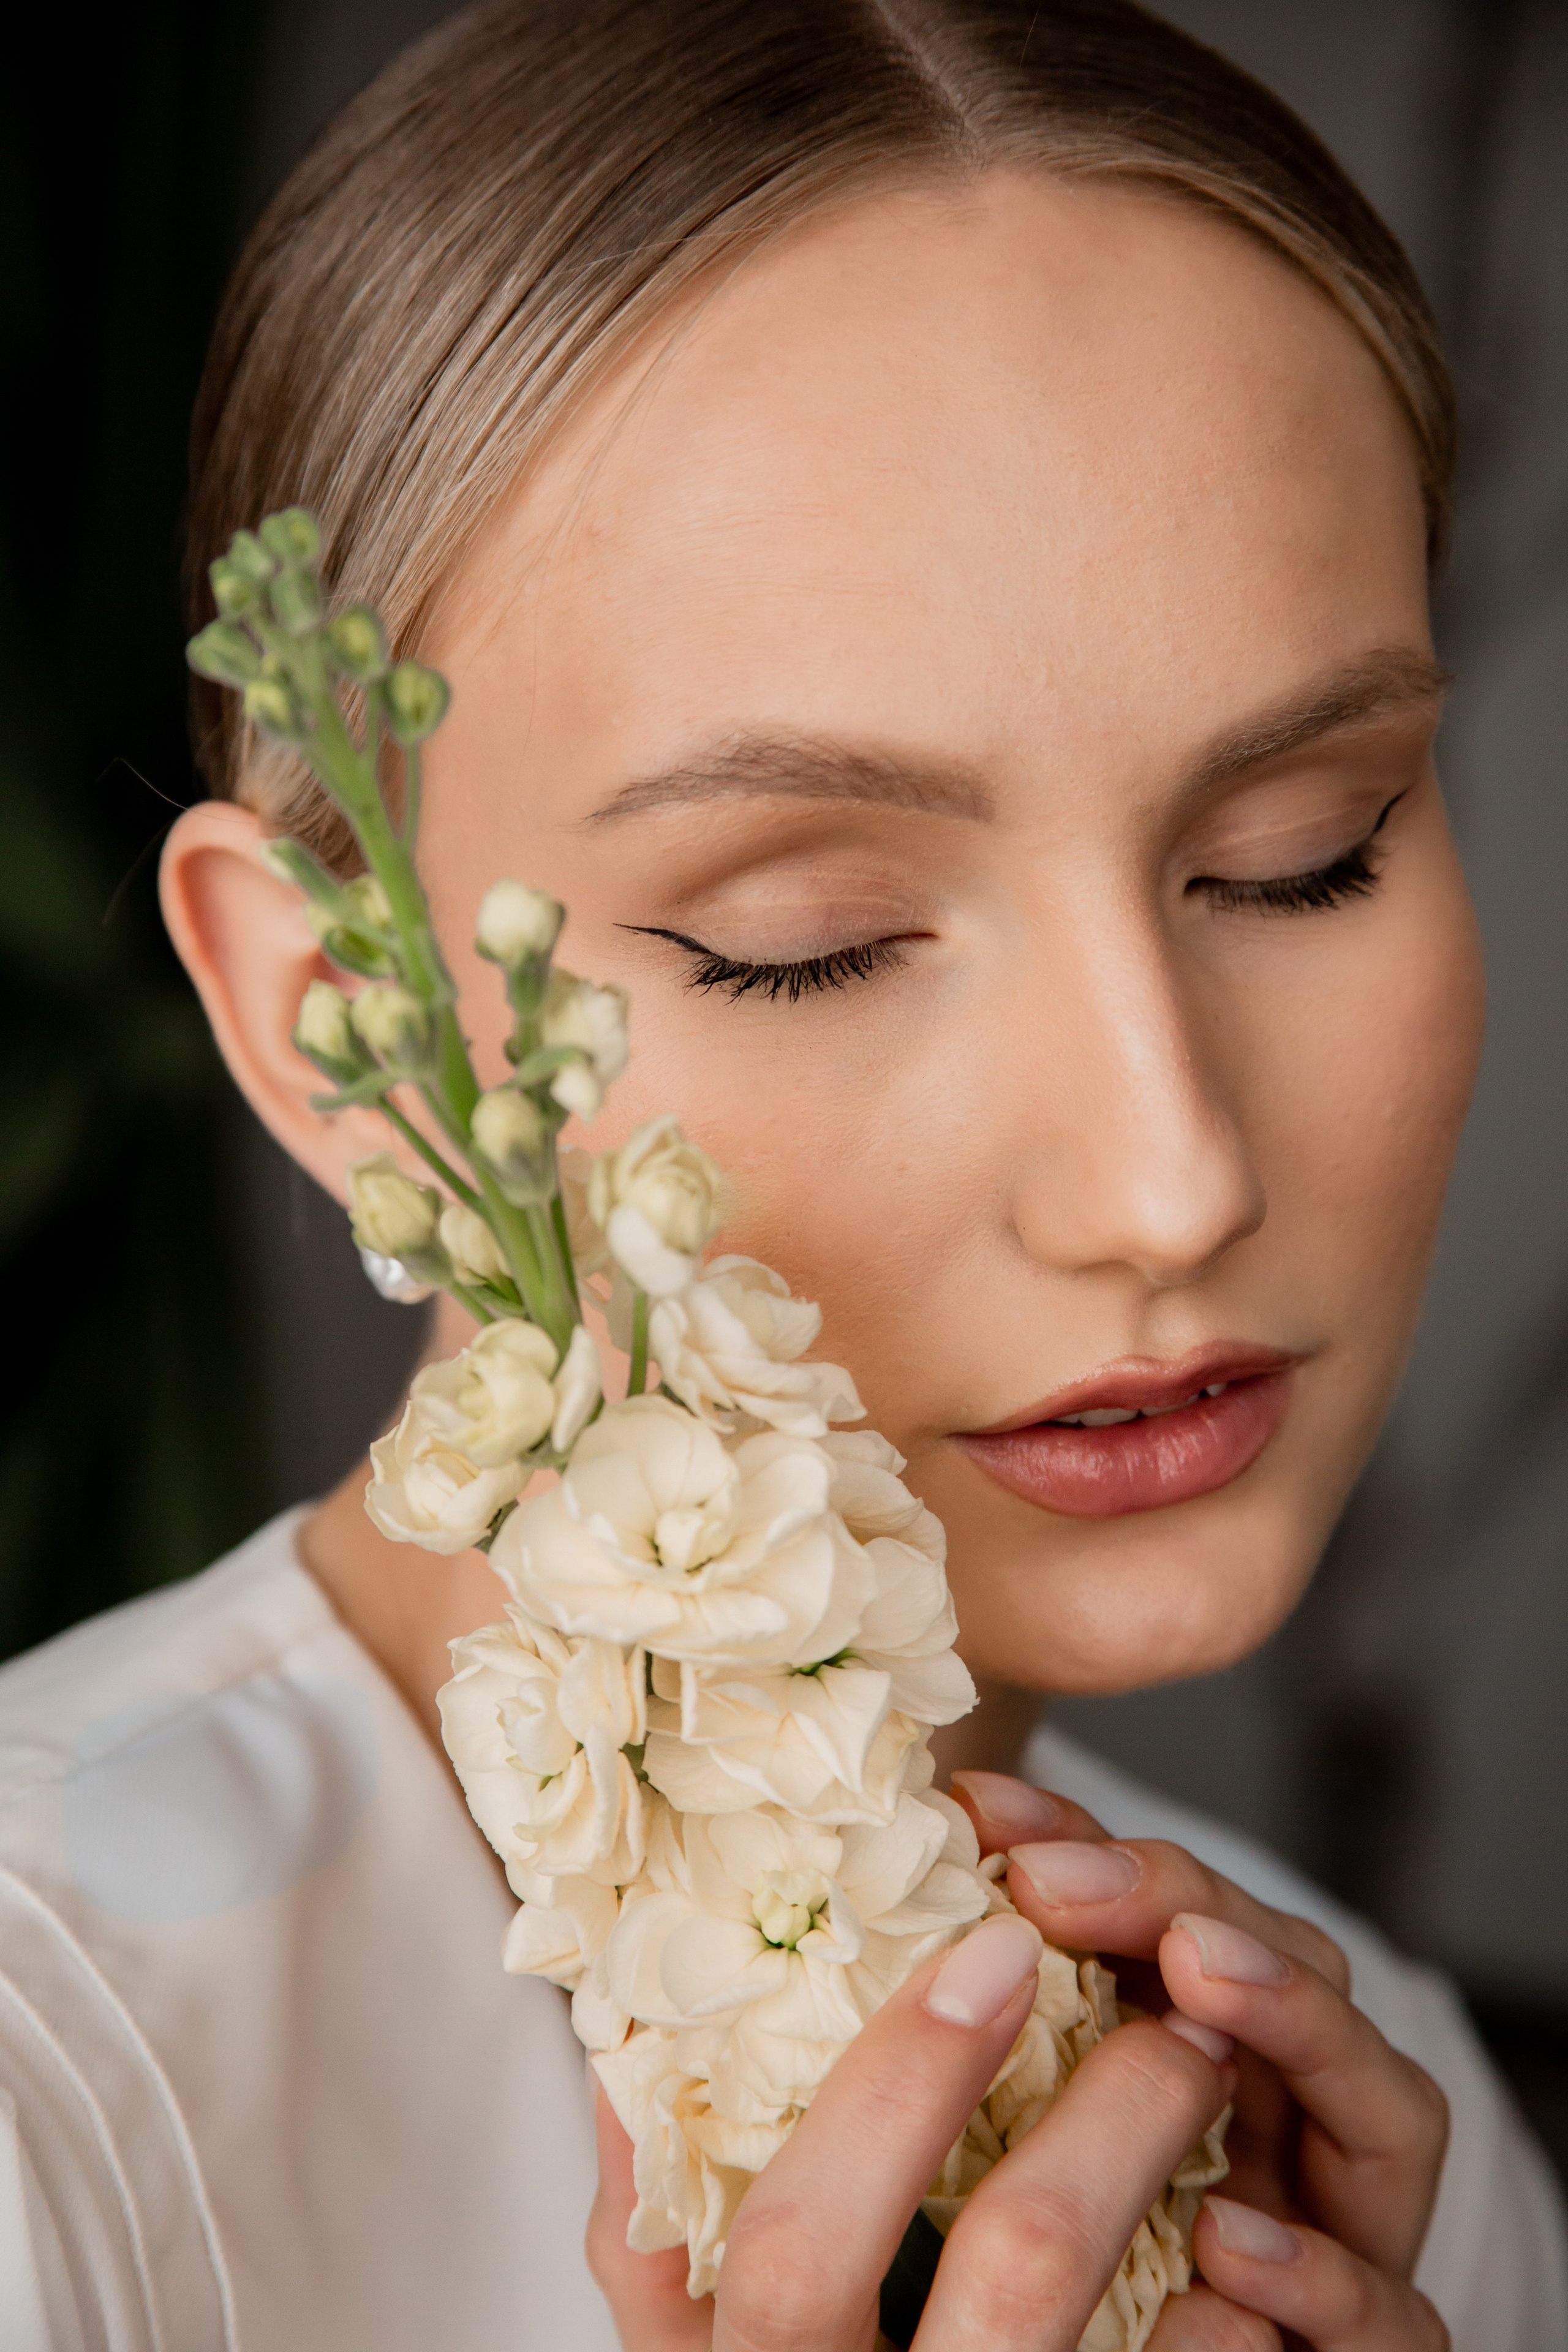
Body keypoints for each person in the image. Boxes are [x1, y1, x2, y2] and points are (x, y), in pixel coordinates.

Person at [1, 1, 1563, 2345]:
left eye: (1299, 859)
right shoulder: (52, 2106)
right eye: (808, 949)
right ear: (338, 1035)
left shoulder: (1358, 2132)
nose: (1168, 1178)